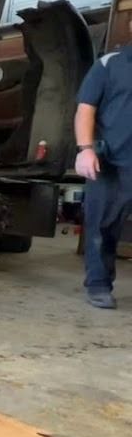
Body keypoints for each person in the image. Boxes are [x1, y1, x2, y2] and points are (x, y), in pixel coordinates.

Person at [74, 44, 132, 308]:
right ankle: (98, 284)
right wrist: (85, 150)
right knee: (103, 227)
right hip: (111, 162)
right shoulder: (110, 64)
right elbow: (86, 108)